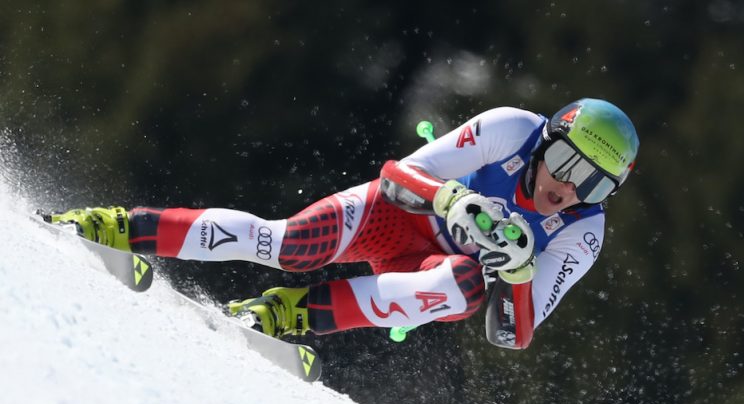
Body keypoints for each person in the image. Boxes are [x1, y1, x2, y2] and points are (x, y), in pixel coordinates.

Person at [48, 98, 639, 349]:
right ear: (545, 143)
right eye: (565, 164)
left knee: (462, 287)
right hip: (394, 218)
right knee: (287, 243)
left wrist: (518, 269)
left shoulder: (580, 233)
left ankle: (286, 315)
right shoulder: (512, 129)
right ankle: (120, 226)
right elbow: (395, 178)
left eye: (594, 184)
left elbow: (512, 334)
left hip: (425, 268)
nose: (568, 189)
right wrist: (453, 200)